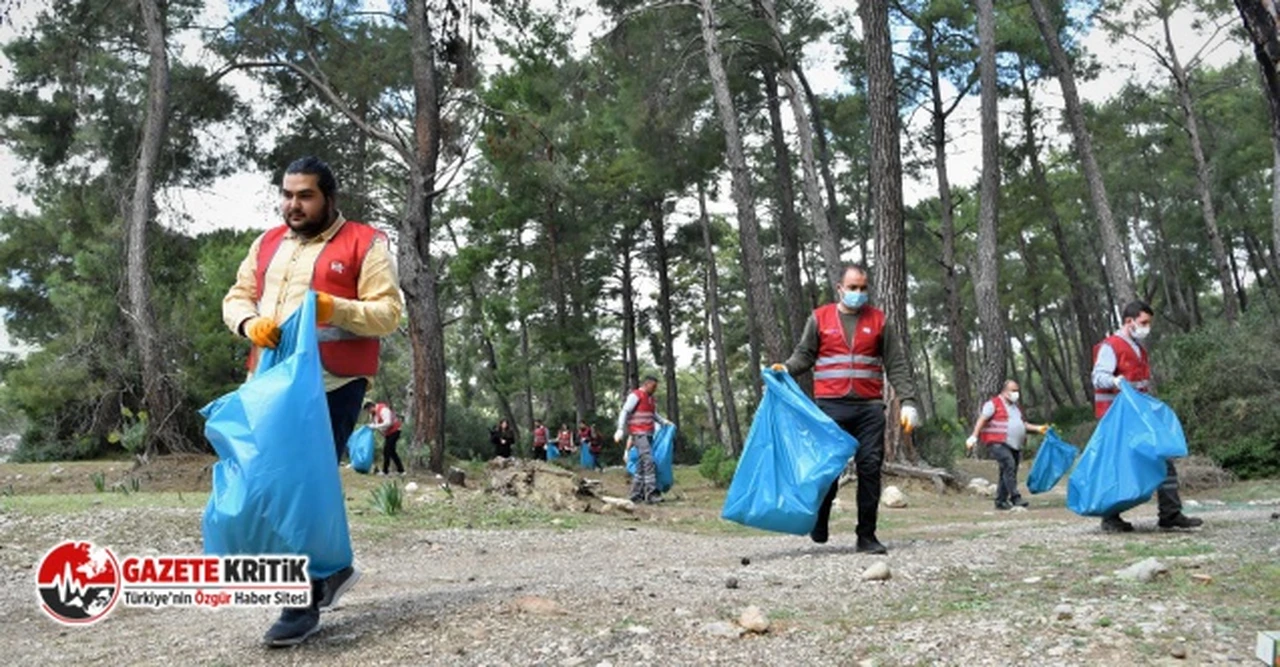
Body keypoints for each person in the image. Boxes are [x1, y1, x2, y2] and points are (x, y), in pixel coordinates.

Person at [222, 156, 403, 647]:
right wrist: (247, 323)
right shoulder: (265, 244)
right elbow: (237, 296)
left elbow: (388, 313)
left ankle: (299, 601)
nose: (293, 205)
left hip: (332, 383)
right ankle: (334, 569)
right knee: (264, 484)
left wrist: (332, 307)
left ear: (329, 198)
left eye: (305, 195)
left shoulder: (366, 242)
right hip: (268, 385)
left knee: (297, 487)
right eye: (287, 195)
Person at [774, 264, 921, 555]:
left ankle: (866, 536)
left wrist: (908, 401)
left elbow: (896, 364)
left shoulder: (879, 320)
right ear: (840, 288)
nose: (858, 293)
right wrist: (785, 369)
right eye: (853, 287)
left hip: (869, 409)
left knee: (870, 468)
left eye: (863, 288)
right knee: (828, 469)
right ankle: (820, 517)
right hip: (831, 408)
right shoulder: (820, 318)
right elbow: (805, 354)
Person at [1091, 300, 1203, 533]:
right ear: (1129, 321)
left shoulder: (1139, 349)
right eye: (1144, 322)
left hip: (1136, 416)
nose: (1147, 327)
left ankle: (1170, 514)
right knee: (1118, 465)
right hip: (1116, 418)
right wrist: (1115, 381)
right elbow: (1098, 377)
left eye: (1149, 323)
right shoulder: (1111, 346)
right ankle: (1110, 518)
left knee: (1162, 457)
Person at [966, 380, 1048, 510]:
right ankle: (1015, 497)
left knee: (1008, 470)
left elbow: (1023, 424)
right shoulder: (993, 404)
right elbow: (982, 419)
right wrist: (974, 436)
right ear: (1005, 391)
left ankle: (1001, 500)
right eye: (1013, 390)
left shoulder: (1016, 408)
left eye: (1017, 391)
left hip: (1014, 445)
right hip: (998, 442)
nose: (1016, 394)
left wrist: (1038, 428)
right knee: (1009, 464)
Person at [614, 376, 670, 504]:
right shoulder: (636, 395)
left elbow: (653, 414)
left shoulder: (650, 399)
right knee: (649, 461)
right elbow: (625, 411)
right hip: (639, 433)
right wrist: (620, 429)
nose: (655, 389)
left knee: (641, 464)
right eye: (653, 386)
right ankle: (651, 494)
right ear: (647, 384)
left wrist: (663, 422)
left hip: (648, 434)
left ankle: (636, 494)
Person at [365, 399, 404, 476]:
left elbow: (388, 422)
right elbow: (376, 424)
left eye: (368, 410)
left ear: (371, 407)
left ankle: (385, 471)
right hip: (388, 433)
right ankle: (401, 470)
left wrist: (375, 426)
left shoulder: (383, 410)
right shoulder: (373, 415)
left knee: (386, 450)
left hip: (395, 430)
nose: (368, 412)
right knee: (391, 451)